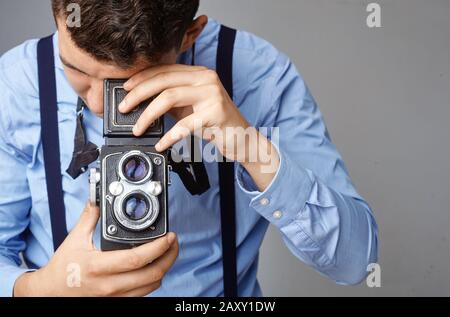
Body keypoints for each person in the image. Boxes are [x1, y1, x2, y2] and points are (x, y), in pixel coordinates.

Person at [0, 0, 378, 297]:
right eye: (76, 71)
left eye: (128, 82)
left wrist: (246, 142)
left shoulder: (259, 76)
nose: (100, 105)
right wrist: (38, 290)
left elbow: (354, 261)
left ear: (190, 35)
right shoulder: (20, 83)